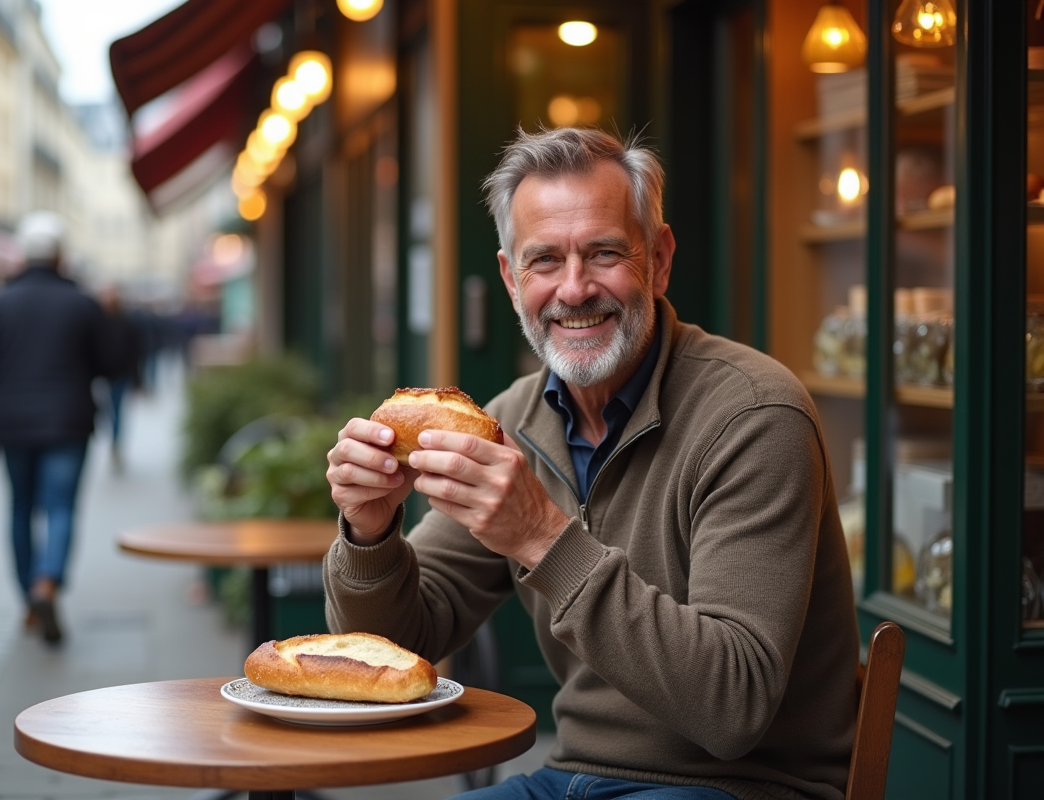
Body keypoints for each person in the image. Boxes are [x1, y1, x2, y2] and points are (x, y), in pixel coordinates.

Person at [324, 128, 859, 800]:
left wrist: (540, 536)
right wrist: (371, 533)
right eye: (544, 260)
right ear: (510, 279)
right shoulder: (511, 420)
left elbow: (734, 707)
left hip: (745, 787)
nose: (573, 289)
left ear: (658, 261)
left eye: (603, 253)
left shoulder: (755, 415)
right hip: (572, 777)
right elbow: (390, 650)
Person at [0, 211, 108, 645]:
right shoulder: (82, 303)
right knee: (60, 506)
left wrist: (2, 395)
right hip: (67, 420)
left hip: (12, 423)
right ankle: (48, 581)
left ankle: (28, 596)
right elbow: (106, 362)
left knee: (20, 507)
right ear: (61, 256)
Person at [98, 285, 142, 472]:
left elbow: (134, 353)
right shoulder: (99, 323)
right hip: (105, 375)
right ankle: (114, 442)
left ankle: (115, 443)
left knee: (115, 410)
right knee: (111, 411)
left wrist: (137, 377)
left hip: (117, 375)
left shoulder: (126, 323)